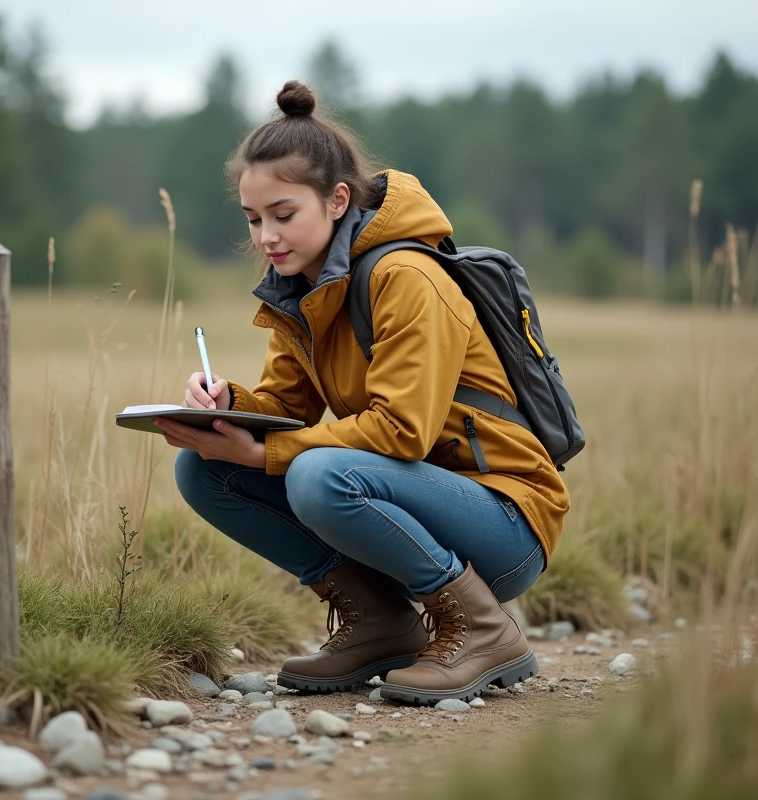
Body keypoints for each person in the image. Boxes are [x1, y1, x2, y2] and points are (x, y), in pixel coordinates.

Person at [155, 80, 570, 705]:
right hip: (407, 499)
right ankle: (379, 621)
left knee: (318, 475)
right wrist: (225, 405)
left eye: (283, 214)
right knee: (203, 468)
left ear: (337, 199)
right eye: (254, 219)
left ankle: (484, 629)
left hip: (504, 523)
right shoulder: (304, 284)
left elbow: (402, 431)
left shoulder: (406, 278)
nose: (266, 236)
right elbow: (288, 410)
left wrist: (264, 454)